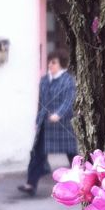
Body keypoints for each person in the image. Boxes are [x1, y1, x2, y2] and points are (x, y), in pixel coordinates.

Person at [17, 51, 78, 196]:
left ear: (61, 64)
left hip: (62, 125)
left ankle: (80, 181)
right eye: (49, 62)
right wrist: (38, 120)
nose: (50, 65)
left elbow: (69, 100)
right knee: (37, 152)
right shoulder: (44, 80)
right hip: (46, 124)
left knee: (71, 154)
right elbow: (41, 103)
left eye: (54, 62)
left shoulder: (68, 80)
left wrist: (59, 114)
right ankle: (31, 184)